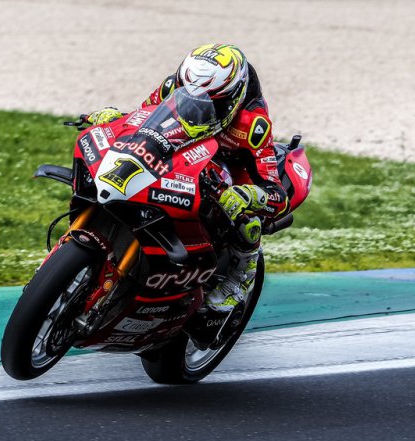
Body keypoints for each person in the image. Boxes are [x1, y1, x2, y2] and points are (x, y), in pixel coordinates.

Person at [86, 44, 289, 318]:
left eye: (212, 103)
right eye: (189, 96)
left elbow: (276, 193)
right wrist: (115, 119)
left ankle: (242, 275)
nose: (198, 105)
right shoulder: (173, 85)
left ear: (234, 97)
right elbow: (142, 118)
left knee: (245, 220)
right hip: (186, 148)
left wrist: (250, 195)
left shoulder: (253, 124)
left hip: (230, 169)